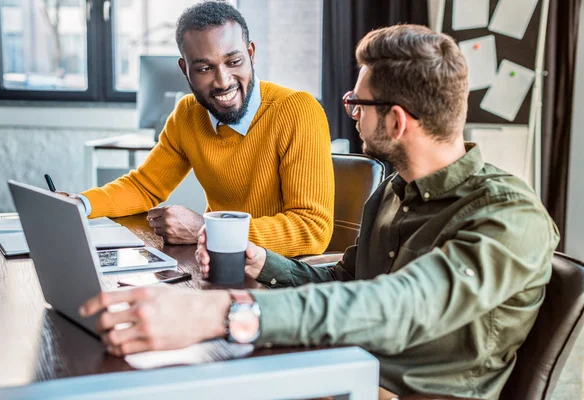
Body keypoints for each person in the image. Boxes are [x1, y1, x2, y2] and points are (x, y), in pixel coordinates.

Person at [80, 24, 559, 399]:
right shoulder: (393, 191)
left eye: (357, 104)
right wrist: (265, 263)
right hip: (343, 366)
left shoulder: (507, 217)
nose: (351, 114)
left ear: (396, 120)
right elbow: (345, 285)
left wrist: (225, 312)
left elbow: (401, 305)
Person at [70, 1, 334, 257]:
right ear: (185, 70)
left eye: (234, 62)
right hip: (217, 264)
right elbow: (145, 187)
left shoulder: (297, 110)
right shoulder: (188, 114)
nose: (223, 81)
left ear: (251, 55)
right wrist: (79, 204)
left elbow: (311, 228)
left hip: (279, 274)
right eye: (205, 68)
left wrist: (205, 231)